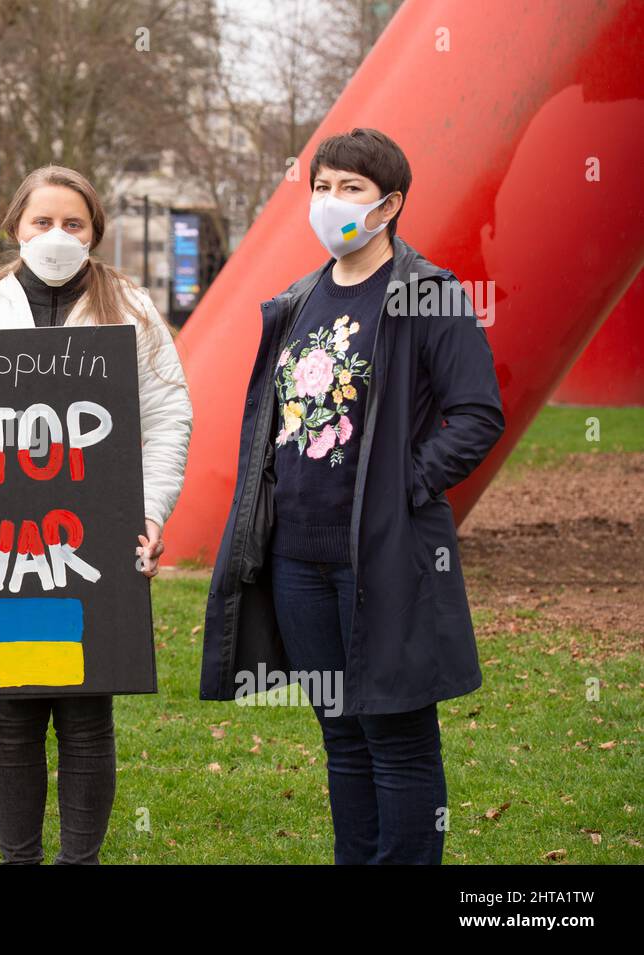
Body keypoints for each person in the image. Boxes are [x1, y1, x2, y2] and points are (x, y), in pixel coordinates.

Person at [199, 128, 505, 864]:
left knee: (396, 735)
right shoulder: (298, 301)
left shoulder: (427, 292)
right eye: (322, 186)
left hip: (385, 556)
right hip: (298, 560)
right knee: (340, 731)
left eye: (350, 189)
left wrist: (405, 483)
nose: (330, 202)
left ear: (389, 203)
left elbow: (477, 414)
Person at [0, 164, 194, 864]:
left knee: (88, 716)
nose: (57, 235)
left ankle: (77, 860)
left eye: (74, 223)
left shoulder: (132, 311)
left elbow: (171, 414)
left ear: (96, 232)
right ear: (14, 228)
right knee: (13, 718)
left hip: (91, 554)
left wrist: (148, 511)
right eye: (42, 222)